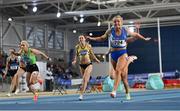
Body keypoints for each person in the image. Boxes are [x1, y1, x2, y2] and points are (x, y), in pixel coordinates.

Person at [87, 15, 151, 100]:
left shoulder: (125, 30)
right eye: (115, 22)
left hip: (122, 54)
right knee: (118, 77)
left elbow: (135, 35)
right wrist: (91, 38)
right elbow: (102, 38)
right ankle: (128, 92)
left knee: (118, 70)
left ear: (121, 22)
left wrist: (144, 39)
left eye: (118, 21)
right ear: (113, 23)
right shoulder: (110, 30)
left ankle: (114, 91)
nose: (116, 23)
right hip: (113, 55)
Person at [72, 35, 100, 101]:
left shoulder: (88, 46)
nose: (81, 39)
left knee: (84, 79)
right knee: (85, 80)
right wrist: (75, 60)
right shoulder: (77, 47)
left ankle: (81, 95)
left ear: (84, 39)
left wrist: (96, 59)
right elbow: (76, 55)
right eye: (80, 38)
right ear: (79, 40)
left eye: (82, 38)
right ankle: (84, 89)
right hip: (81, 65)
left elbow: (92, 54)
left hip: (89, 64)